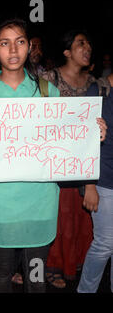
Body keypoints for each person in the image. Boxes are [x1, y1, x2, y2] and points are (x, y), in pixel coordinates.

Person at [0, 18, 106, 293]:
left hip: (39, 207)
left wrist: (90, 132)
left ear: (29, 47)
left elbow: (68, 137)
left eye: (20, 42)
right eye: (4, 43)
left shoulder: (47, 92)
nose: (13, 50)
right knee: (1, 275)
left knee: (36, 278)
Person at [42, 29, 98, 289]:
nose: (87, 48)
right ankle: (53, 265)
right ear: (66, 52)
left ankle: (76, 262)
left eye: (88, 43)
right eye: (80, 43)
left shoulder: (96, 84)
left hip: (85, 162)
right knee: (60, 215)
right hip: (57, 160)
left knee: (82, 216)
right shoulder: (49, 80)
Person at [77, 73, 113, 293]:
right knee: (104, 244)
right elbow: (85, 140)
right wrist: (89, 185)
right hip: (105, 179)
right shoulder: (98, 91)